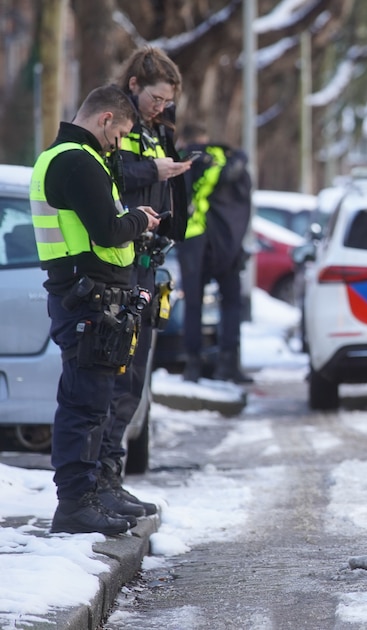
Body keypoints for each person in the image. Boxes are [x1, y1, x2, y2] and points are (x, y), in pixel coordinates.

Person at [30, 84, 162, 534]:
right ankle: (75, 503)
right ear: (105, 119)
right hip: (85, 298)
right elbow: (107, 231)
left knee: (95, 402)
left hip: (94, 299)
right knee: (83, 403)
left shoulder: (75, 159)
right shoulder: (75, 161)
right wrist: (140, 220)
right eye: (121, 132)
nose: (119, 143)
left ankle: (92, 492)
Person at [103, 46, 191, 519]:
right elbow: (108, 176)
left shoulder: (156, 130)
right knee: (117, 378)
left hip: (147, 263)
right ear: (134, 86)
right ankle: (100, 482)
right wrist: (153, 171)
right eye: (157, 98)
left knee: (134, 380)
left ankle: (112, 479)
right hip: (122, 265)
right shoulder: (113, 122)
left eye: (168, 101)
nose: (162, 108)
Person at [177, 123, 254, 384]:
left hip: (193, 239)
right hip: (228, 241)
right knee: (232, 302)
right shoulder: (227, 158)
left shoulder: (185, 159)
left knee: (193, 304)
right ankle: (228, 364)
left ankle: (193, 365)